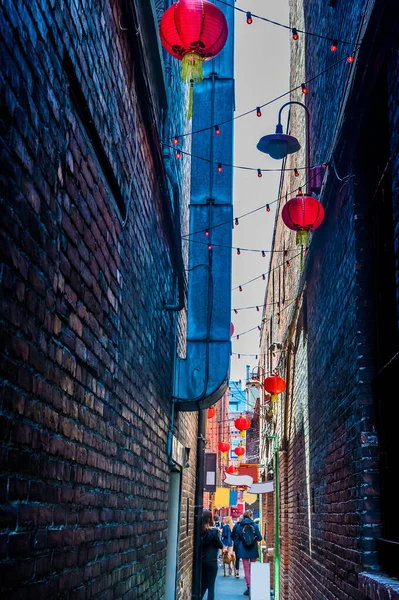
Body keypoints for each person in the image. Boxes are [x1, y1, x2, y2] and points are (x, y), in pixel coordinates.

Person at [236, 509, 262, 596]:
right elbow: (259, 538)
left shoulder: (240, 525)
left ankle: (249, 587)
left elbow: (237, 538)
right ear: (251, 516)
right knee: (253, 568)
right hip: (253, 548)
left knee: (246, 569)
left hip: (243, 548)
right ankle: (254, 587)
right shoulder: (255, 525)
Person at [201, 509, 223, 600]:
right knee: (211, 587)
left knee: (203, 585)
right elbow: (220, 545)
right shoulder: (213, 532)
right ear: (210, 519)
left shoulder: (199, 531)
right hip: (212, 561)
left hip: (202, 561)